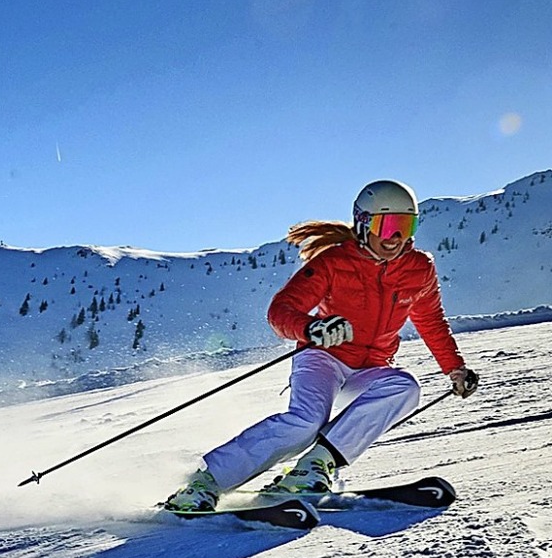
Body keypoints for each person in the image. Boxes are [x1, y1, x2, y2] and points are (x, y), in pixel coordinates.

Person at [165, 179, 478, 513]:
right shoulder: (333, 262)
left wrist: (454, 368)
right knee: (306, 422)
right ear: (363, 223)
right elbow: (280, 312)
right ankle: (206, 482)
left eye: (405, 225)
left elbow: (430, 319)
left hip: (372, 368)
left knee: (404, 388)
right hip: (323, 358)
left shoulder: (418, 268)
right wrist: (313, 328)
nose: (396, 237)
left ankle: (312, 467)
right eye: (387, 226)